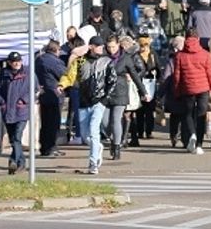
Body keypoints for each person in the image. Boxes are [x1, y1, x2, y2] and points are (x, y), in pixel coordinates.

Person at [171, 30, 211, 154]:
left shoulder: (180, 56)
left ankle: (192, 134)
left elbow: (177, 76)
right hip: (203, 88)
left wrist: (176, 91)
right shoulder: (205, 54)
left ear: (186, 38)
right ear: (197, 38)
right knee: (201, 116)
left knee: (188, 114)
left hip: (188, 89)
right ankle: (199, 145)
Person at [77, 36, 118, 175]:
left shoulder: (106, 62)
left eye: (102, 46)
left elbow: (112, 81)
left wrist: (104, 100)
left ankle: (93, 163)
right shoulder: (81, 60)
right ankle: (98, 147)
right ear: (91, 47)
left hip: (98, 101)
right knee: (84, 135)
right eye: (98, 46)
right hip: (83, 102)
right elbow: (73, 75)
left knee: (94, 130)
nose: (101, 48)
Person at [106, 35, 148, 160]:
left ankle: (117, 146)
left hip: (120, 92)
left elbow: (135, 75)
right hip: (105, 93)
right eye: (108, 47)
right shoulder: (103, 57)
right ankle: (113, 138)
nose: (111, 49)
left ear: (118, 45)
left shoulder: (126, 58)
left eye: (113, 47)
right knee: (105, 122)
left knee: (116, 119)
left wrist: (144, 92)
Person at [0, 52, 30, 175]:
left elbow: (34, 89)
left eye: (18, 60)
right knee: (13, 138)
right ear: (9, 62)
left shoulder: (28, 72)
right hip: (8, 111)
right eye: (14, 61)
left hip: (21, 111)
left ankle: (18, 163)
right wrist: (2, 103)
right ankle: (16, 162)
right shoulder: (3, 74)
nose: (17, 63)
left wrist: (23, 100)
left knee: (17, 137)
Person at [34, 37, 67, 157]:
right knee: (53, 123)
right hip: (54, 95)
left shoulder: (38, 59)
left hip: (43, 94)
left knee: (45, 122)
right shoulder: (54, 61)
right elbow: (64, 74)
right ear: (56, 50)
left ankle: (44, 147)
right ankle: (51, 147)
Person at [129, 34, 159, 145]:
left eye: (146, 45)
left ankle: (149, 131)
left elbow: (158, 66)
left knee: (150, 109)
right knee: (140, 109)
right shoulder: (135, 55)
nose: (144, 47)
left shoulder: (152, 54)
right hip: (140, 84)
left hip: (150, 84)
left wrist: (156, 73)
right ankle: (140, 131)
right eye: (141, 45)